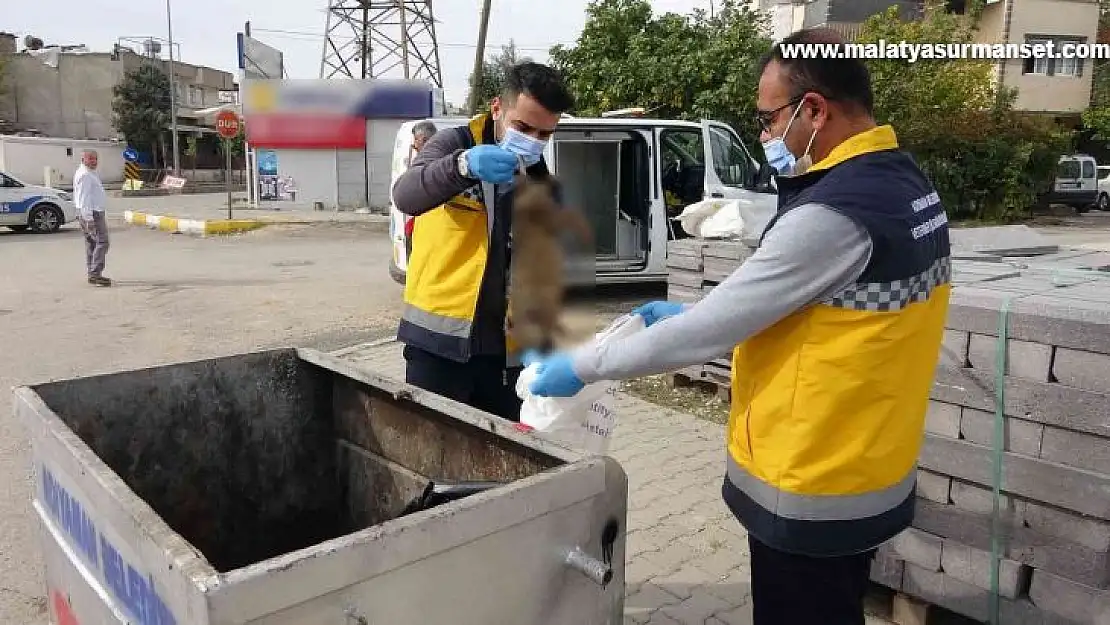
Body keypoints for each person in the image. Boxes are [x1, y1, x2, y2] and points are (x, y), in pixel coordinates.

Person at [526, 27, 952, 625]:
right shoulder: (904, 182)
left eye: (769, 117)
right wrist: (694, 311)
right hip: (870, 466)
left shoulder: (835, 213)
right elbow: (819, 306)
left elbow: (708, 335)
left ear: (814, 109)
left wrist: (583, 365)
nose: (765, 134)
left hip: (810, 481)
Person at [390, 61, 575, 421]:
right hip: (439, 347)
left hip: (506, 357)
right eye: (523, 127)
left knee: (502, 462)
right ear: (497, 108)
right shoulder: (454, 145)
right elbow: (406, 195)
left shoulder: (539, 180)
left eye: (544, 134)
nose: (532, 141)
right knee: (435, 456)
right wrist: (462, 167)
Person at [74, 150, 111, 287]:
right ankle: (96, 274)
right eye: (90, 159)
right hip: (92, 213)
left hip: (89, 212)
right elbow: (84, 198)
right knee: (102, 242)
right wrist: (89, 219)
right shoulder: (85, 175)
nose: (94, 161)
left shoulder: (88, 172)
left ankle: (92, 273)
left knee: (92, 244)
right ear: (83, 159)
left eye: (95, 159)